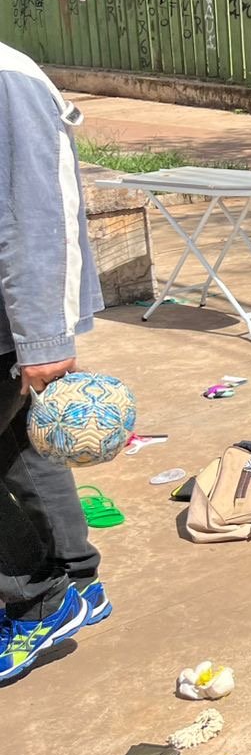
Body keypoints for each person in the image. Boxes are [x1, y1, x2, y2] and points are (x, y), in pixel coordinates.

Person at [0, 41, 113, 684]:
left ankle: (37, 598)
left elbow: (31, 216)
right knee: (20, 445)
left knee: (19, 443)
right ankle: (75, 581)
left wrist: (44, 340)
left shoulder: (5, 79)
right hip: (13, 319)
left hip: (13, 318)